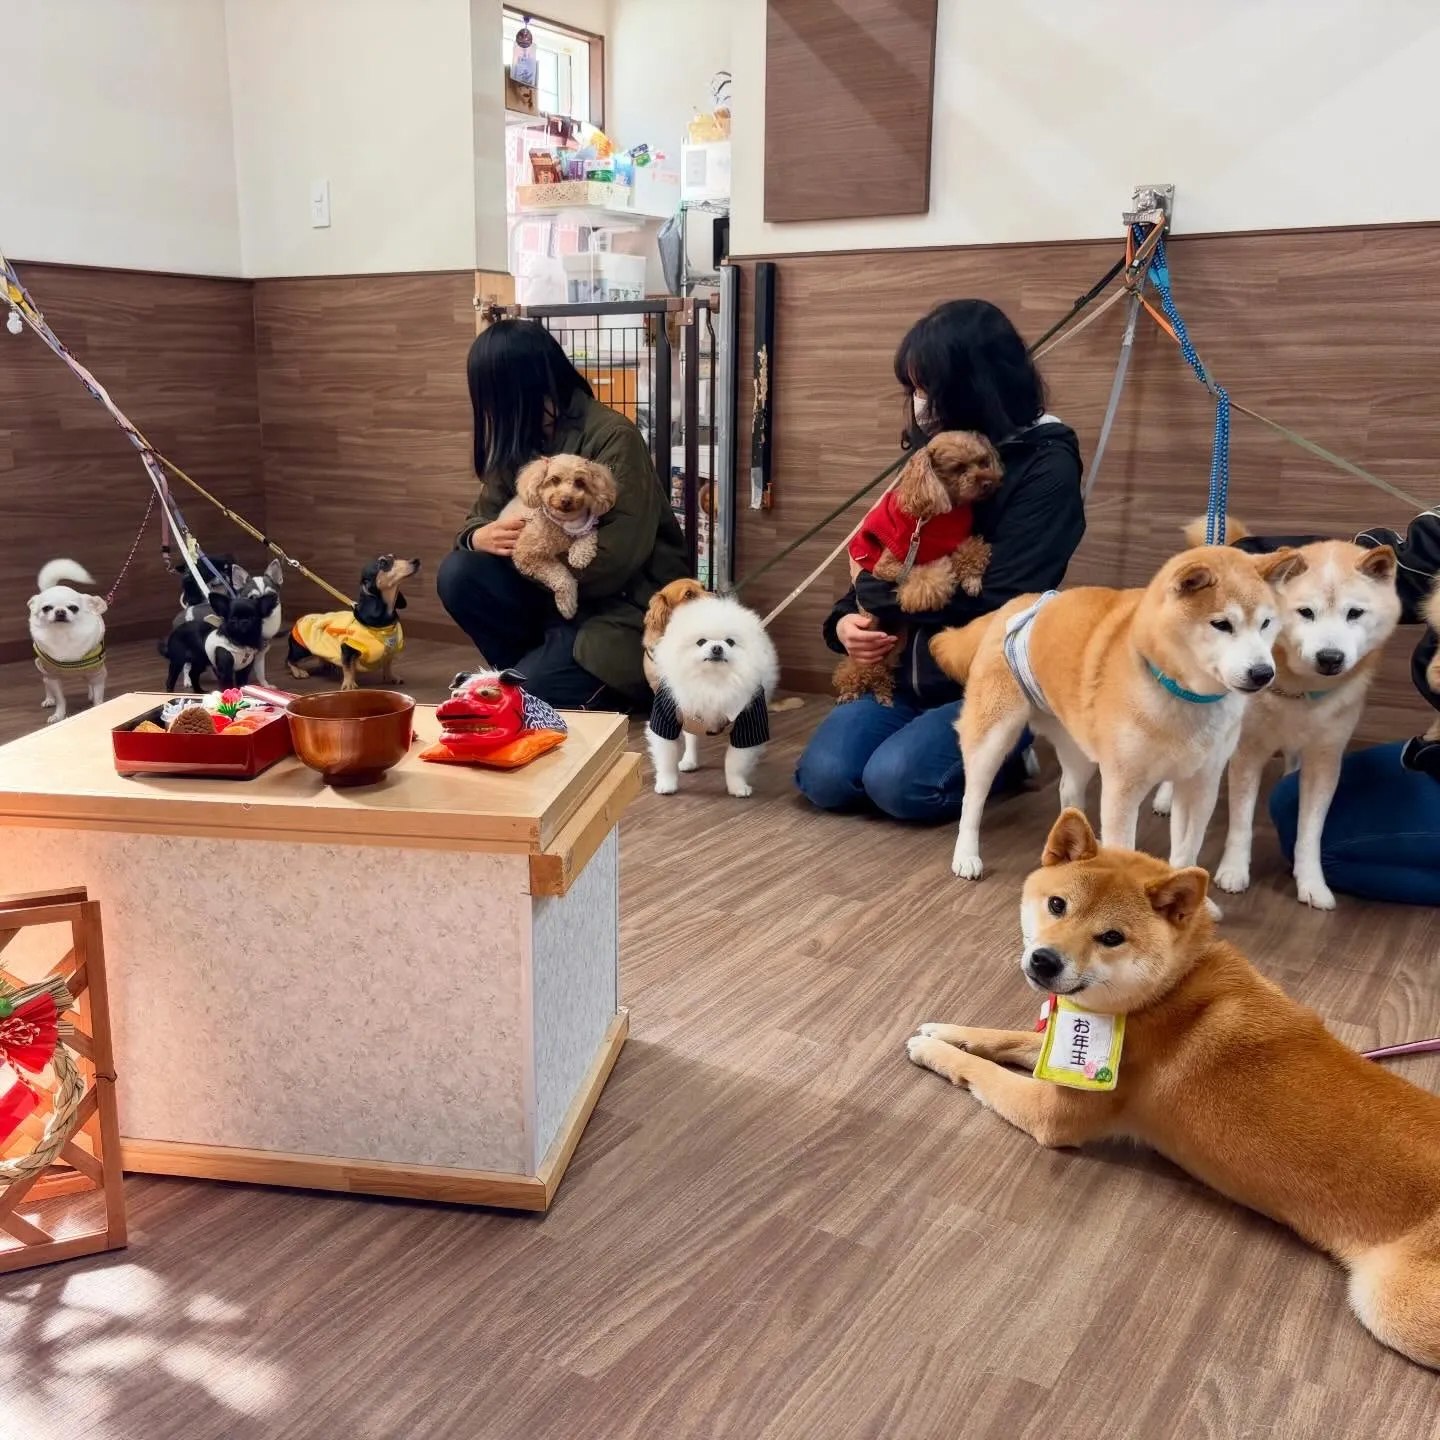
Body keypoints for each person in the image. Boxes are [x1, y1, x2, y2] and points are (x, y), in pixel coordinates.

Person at [794, 299, 1086, 822]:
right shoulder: (931, 453)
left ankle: (1008, 750)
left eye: (928, 389)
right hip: (902, 673)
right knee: (827, 780)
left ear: (973, 386)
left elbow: (998, 594)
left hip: (988, 675)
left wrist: (874, 592)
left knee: (898, 786)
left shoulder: (1047, 466)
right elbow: (884, 549)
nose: (920, 404)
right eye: (914, 390)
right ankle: (928, 742)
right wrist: (844, 624)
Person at [437, 320, 688, 709]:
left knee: (529, 696)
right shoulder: (520, 440)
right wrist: (478, 537)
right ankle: (538, 667)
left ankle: (587, 677)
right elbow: (477, 521)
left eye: (490, 394)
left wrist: (531, 556)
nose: (486, 407)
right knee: (460, 572)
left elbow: (612, 564)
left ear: (515, 388)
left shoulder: (613, 436)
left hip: (618, 609)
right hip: (552, 600)